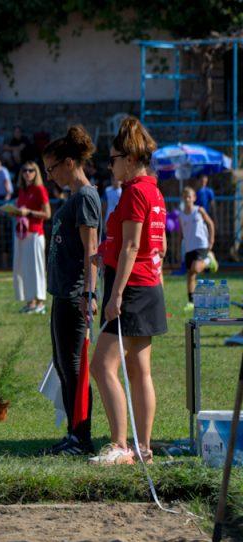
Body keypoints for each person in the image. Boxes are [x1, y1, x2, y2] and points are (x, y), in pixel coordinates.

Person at [90, 117, 168, 466]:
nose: (111, 165)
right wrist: (103, 253)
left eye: (114, 158)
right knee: (139, 371)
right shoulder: (154, 190)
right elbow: (159, 245)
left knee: (101, 366)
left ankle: (121, 445)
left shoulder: (135, 191)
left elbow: (132, 247)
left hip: (134, 288)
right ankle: (144, 450)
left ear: (131, 159)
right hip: (149, 286)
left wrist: (115, 295)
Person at [38, 126, 102, 456]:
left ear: (67, 163)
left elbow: (92, 249)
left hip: (76, 294)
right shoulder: (73, 198)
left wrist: (89, 294)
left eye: (51, 169)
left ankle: (83, 437)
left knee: (75, 367)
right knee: (63, 365)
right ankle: (73, 434)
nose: (50, 177)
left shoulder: (87, 197)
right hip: (62, 293)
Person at [8, 161, 50, 314]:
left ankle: (40, 303)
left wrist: (29, 213)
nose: (27, 173)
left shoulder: (40, 189)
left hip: (35, 233)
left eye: (31, 170)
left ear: (36, 172)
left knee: (36, 268)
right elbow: (22, 210)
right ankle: (30, 302)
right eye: (24, 170)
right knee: (24, 269)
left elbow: (47, 214)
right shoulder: (22, 190)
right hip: (22, 233)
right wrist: (15, 212)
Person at [177, 186, 218, 311]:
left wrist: (211, 239)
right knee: (190, 275)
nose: (187, 199)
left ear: (194, 198)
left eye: (189, 197)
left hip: (201, 244)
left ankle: (208, 261)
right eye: (185, 197)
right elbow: (181, 234)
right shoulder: (181, 216)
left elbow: (210, 223)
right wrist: (180, 248)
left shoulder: (199, 210)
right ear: (183, 199)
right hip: (189, 247)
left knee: (195, 268)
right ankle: (191, 302)